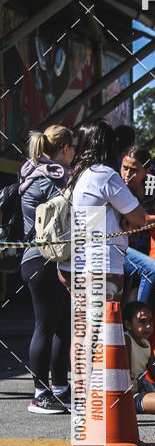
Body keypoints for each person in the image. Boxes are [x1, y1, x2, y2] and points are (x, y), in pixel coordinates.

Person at [20, 125, 74, 413]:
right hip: (42, 261)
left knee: (61, 327)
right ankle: (40, 394)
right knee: (45, 326)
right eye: (73, 148)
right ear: (65, 148)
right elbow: (71, 211)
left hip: (43, 260)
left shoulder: (34, 173)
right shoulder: (50, 179)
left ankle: (60, 388)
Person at [59, 120, 146, 301]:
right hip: (101, 266)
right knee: (106, 319)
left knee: (85, 319)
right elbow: (139, 218)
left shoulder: (77, 175)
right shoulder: (105, 175)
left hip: (72, 264)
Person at [121, 146, 155, 308]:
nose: (127, 174)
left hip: (144, 250)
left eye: (134, 170)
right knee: (151, 269)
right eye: (125, 168)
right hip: (122, 250)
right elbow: (140, 221)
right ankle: (140, 314)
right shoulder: (120, 189)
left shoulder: (153, 191)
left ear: (147, 170)